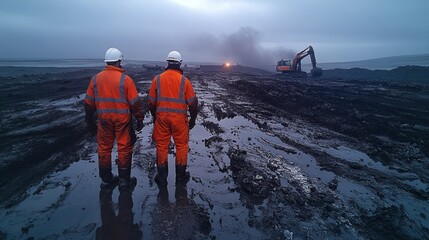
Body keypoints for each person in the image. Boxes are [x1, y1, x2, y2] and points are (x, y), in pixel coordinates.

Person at [84, 47, 144, 189]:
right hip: (122, 120)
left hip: (104, 119)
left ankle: (106, 179)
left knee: (104, 147)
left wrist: (90, 120)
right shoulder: (126, 80)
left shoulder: (95, 79)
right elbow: (135, 102)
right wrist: (139, 118)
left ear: (107, 62)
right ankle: (124, 181)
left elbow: (88, 103)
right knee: (124, 148)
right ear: (118, 61)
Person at [148, 50, 198, 186]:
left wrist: (155, 117)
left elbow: (151, 102)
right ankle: (180, 177)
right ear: (180, 63)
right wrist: (192, 120)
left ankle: (162, 178)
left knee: (162, 146)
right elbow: (193, 104)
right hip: (179, 120)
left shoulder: (157, 79)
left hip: (162, 119)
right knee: (181, 146)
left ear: (167, 62)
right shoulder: (185, 82)